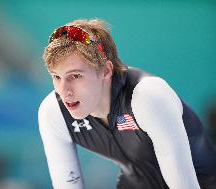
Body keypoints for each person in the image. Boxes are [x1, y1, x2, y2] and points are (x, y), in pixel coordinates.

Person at [38, 19, 216, 189]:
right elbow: (67, 183)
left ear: (106, 70)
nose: (64, 91)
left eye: (75, 76)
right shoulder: (54, 113)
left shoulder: (148, 96)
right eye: (56, 77)